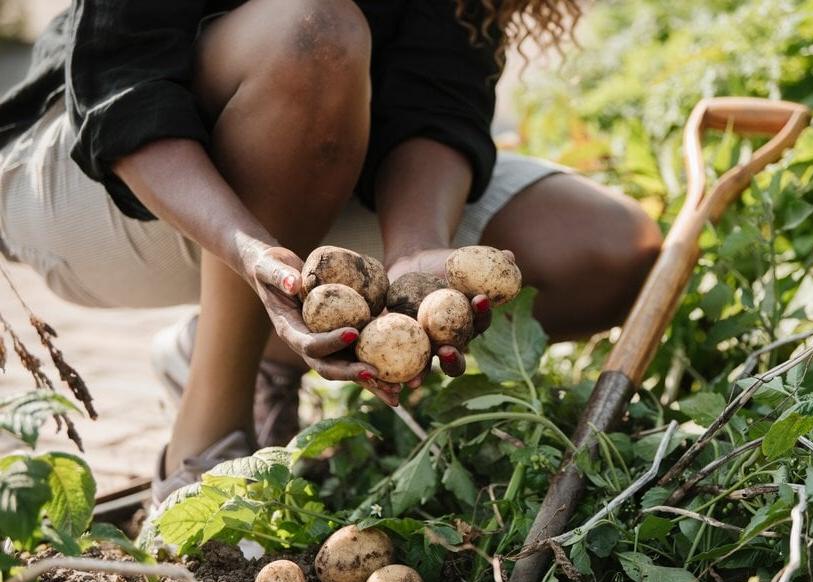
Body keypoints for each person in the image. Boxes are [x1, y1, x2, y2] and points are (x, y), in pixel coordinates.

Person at [0, 0, 662, 502]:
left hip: (314, 163)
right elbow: (122, 80)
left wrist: (416, 255)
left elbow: (438, 99)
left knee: (605, 249)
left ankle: (248, 352)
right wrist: (250, 250)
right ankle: (207, 438)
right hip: (96, 180)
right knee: (316, 31)